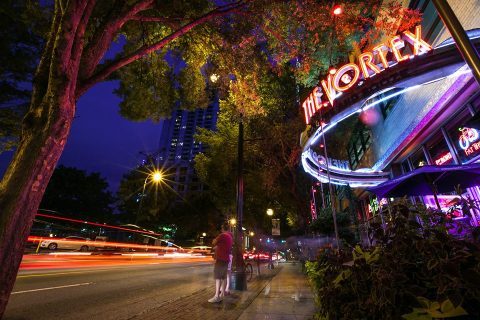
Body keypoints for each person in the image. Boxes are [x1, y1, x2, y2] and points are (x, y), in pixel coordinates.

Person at [208, 222, 233, 303]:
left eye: (221, 228)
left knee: (218, 277)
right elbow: (223, 246)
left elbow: (214, 242)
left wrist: (215, 242)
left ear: (222, 228)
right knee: (223, 277)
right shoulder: (229, 237)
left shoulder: (222, 235)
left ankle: (216, 296)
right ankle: (222, 294)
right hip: (226, 259)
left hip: (220, 259)